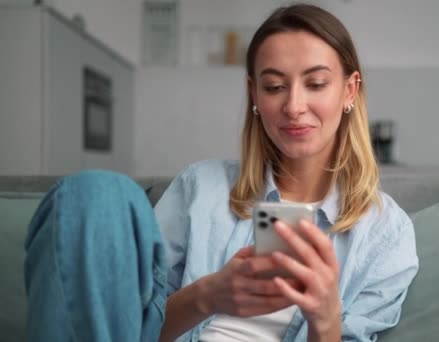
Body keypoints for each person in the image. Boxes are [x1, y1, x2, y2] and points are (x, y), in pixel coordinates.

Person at [24, 4, 418, 342]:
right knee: (93, 191)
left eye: (316, 83)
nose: (295, 106)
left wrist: (327, 318)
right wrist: (208, 295)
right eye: (275, 86)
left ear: (350, 91)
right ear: (254, 95)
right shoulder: (201, 187)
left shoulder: (385, 233)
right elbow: (123, 326)